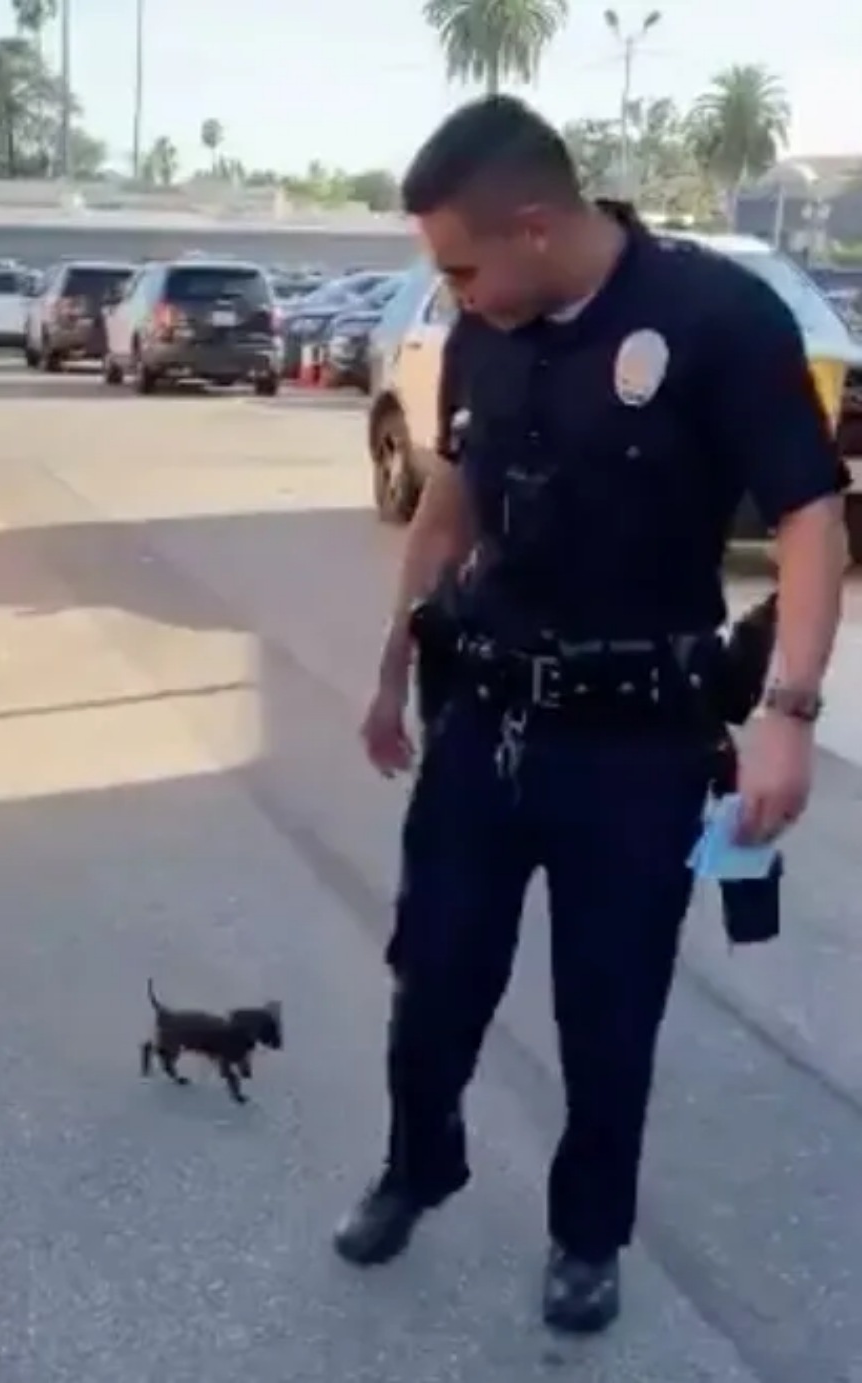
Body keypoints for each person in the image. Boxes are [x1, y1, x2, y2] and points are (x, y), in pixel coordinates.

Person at [333, 95, 848, 1334]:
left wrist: (785, 710)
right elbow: (448, 498)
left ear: (532, 225)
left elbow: (808, 516)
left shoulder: (714, 318)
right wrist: (394, 662)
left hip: (637, 744)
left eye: (460, 265)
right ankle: (418, 1164)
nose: (450, 294)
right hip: (486, 726)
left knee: (606, 1010)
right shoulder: (483, 331)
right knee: (433, 980)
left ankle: (585, 1236)